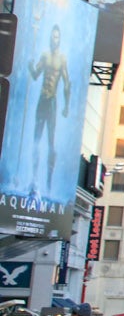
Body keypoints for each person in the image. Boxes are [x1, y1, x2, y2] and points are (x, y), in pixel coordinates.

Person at [27, 23, 72, 194]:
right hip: (42, 100)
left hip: (52, 103)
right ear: (50, 38)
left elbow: (67, 84)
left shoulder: (62, 59)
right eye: (53, 36)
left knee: (51, 143)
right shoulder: (44, 56)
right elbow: (36, 74)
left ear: (59, 39)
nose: (55, 39)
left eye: (57, 36)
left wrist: (67, 106)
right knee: (36, 141)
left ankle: (48, 183)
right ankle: (34, 180)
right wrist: (30, 66)